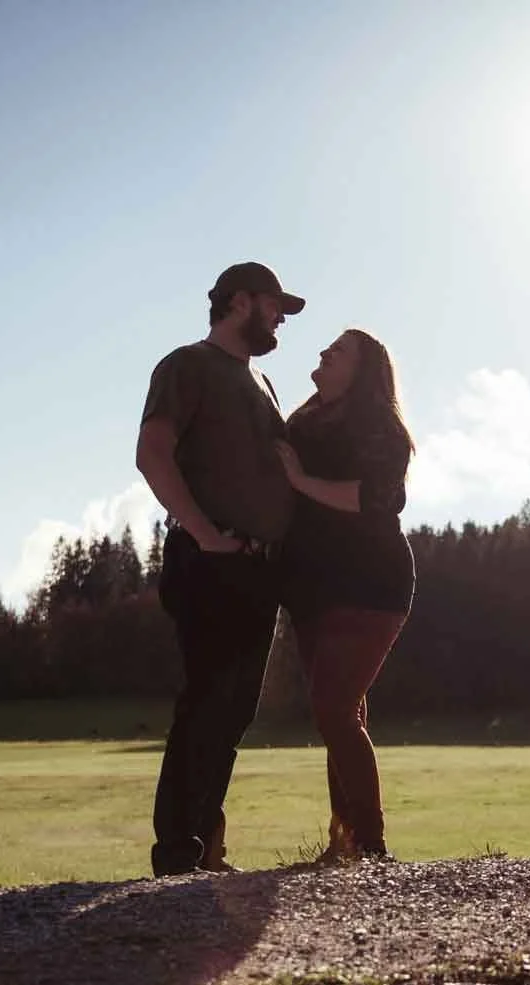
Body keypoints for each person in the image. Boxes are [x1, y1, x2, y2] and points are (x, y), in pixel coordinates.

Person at [135, 260, 305, 876]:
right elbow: (152, 453)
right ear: (239, 302)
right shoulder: (187, 365)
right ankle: (178, 855)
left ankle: (201, 849)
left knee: (233, 713)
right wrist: (206, 535)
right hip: (212, 561)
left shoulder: (262, 383)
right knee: (208, 702)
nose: (281, 317)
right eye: (274, 305)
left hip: (259, 571)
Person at [277, 327, 416, 861]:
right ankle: (344, 843)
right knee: (342, 713)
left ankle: (370, 844)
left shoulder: (382, 428)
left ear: (362, 371)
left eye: (338, 351)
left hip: (370, 583)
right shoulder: (303, 421)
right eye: (326, 348)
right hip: (313, 586)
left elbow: (379, 499)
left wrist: (300, 481)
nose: (324, 353)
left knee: (333, 708)